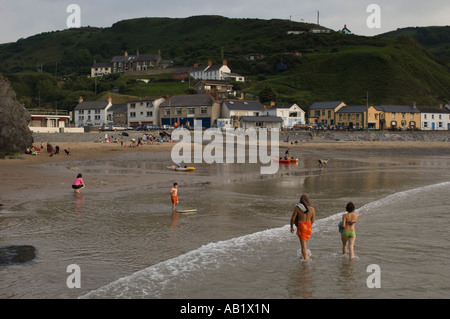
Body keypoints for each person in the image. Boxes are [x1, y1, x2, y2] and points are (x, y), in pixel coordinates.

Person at [290, 194, 316, 261]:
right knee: (304, 243)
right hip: (309, 226)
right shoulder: (312, 208)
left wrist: (291, 226)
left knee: (303, 245)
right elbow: (313, 220)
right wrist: (308, 226)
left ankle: (306, 260)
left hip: (301, 226)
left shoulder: (298, 208)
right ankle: (304, 256)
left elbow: (293, 218)